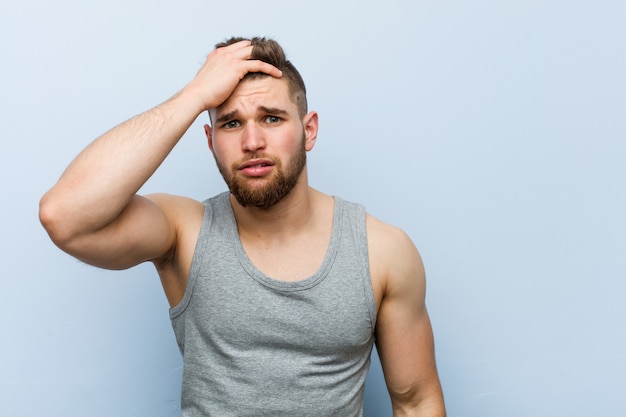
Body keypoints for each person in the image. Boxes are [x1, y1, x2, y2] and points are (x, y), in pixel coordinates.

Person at [39, 36, 445, 417]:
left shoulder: (382, 250)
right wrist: (194, 96)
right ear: (210, 139)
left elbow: (416, 402)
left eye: (271, 118)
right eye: (231, 123)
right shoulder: (184, 233)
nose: (252, 141)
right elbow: (65, 216)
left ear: (308, 130)